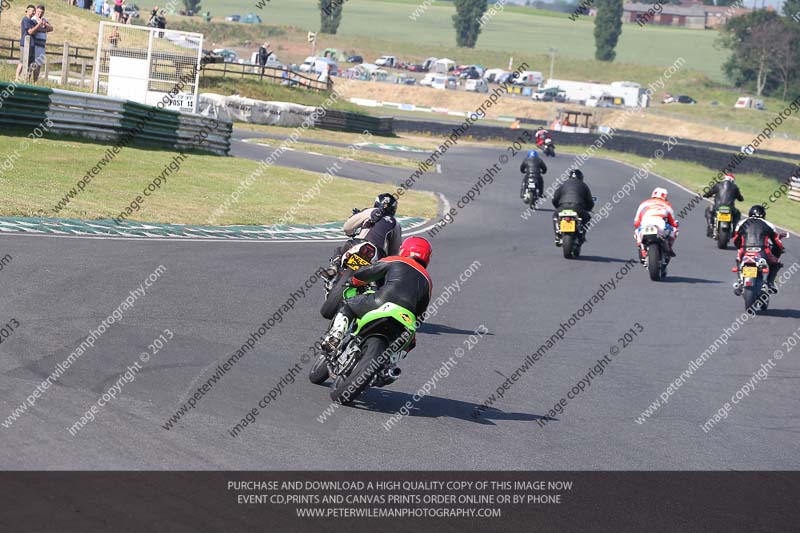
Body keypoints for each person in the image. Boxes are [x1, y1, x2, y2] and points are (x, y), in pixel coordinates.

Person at [321, 236, 433, 356]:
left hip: (382, 301)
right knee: (406, 346)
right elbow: (421, 313)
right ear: (427, 257)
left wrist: (355, 280)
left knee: (348, 304)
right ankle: (389, 365)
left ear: (404, 250)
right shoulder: (428, 281)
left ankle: (336, 336)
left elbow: (371, 271)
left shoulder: (396, 260)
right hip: (406, 318)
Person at [323, 193, 402, 280]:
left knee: (339, 249)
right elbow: (395, 250)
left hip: (359, 243)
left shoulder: (370, 211)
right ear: (394, 209)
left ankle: (334, 268)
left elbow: (347, 227)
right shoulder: (396, 224)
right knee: (382, 277)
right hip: (378, 254)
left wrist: (350, 233)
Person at [733, 205, 784, 294]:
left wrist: (739, 246)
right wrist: (779, 250)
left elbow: (736, 239)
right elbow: (777, 241)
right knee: (776, 263)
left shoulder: (742, 223)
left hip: (745, 251)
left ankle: (740, 281)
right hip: (763, 251)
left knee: (738, 258)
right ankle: (770, 282)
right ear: (763, 214)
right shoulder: (768, 224)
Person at [552, 169, 594, 246]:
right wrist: (589, 208)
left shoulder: (563, 184)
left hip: (563, 207)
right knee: (587, 217)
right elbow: (590, 201)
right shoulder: (584, 185)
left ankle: (557, 236)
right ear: (581, 177)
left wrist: (557, 207)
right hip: (577, 207)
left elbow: (555, 199)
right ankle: (582, 235)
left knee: (555, 216)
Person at [633, 187, 679, 258]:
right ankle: (669, 247)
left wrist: (638, 225)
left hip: (645, 224)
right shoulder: (667, 205)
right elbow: (673, 222)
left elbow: (636, 221)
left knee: (636, 231)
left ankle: (641, 248)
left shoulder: (643, 204)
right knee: (675, 230)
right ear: (664, 196)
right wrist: (675, 224)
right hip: (660, 224)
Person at [28, 5, 52, 83]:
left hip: (42, 46)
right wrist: (43, 29)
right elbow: (36, 29)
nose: (39, 13)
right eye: (38, 11)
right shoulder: (33, 19)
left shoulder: (44, 19)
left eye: (41, 12)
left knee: (38, 65)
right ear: (36, 11)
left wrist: (44, 24)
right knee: (32, 64)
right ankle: (27, 79)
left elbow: (51, 28)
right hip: (35, 45)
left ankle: (35, 81)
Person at [16, 5, 37, 82]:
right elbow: (29, 31)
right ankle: (16, 78)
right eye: (33, 11)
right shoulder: (25, 20)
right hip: (25, 44)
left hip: (31, 44)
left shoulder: (32, 21)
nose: (34, 13)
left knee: (30, 63)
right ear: (28, 10)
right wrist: (38, 25)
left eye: (34, 11)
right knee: (22, 61)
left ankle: (26, 79)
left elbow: (38, 30)